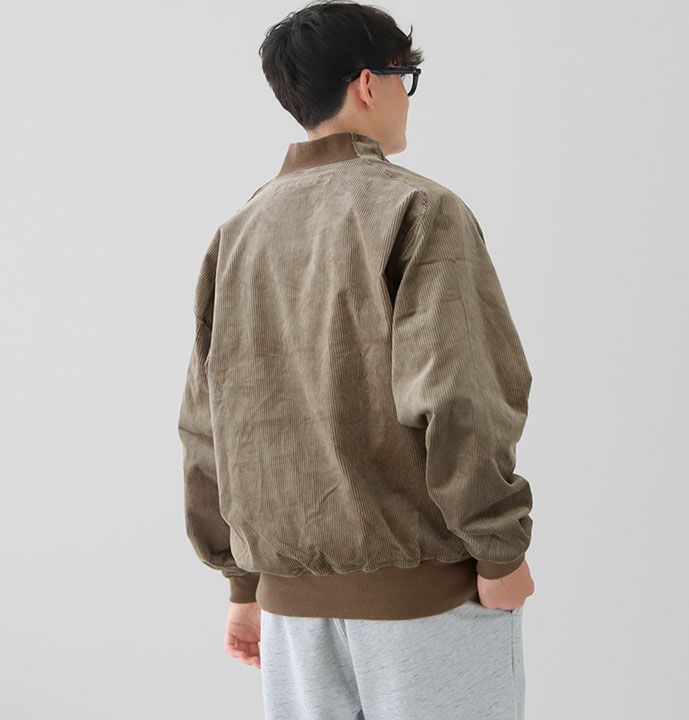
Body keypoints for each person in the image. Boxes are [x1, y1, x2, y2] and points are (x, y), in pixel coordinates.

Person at [177, 1, 536, 718]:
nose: (408, 96)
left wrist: (244, 586)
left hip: (290, 613)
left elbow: (207, 423)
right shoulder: (419, 209)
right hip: (425, 598)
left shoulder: (238, 233)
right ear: (369, 83)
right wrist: (499, 549)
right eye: (407, 77)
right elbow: (458, 394)